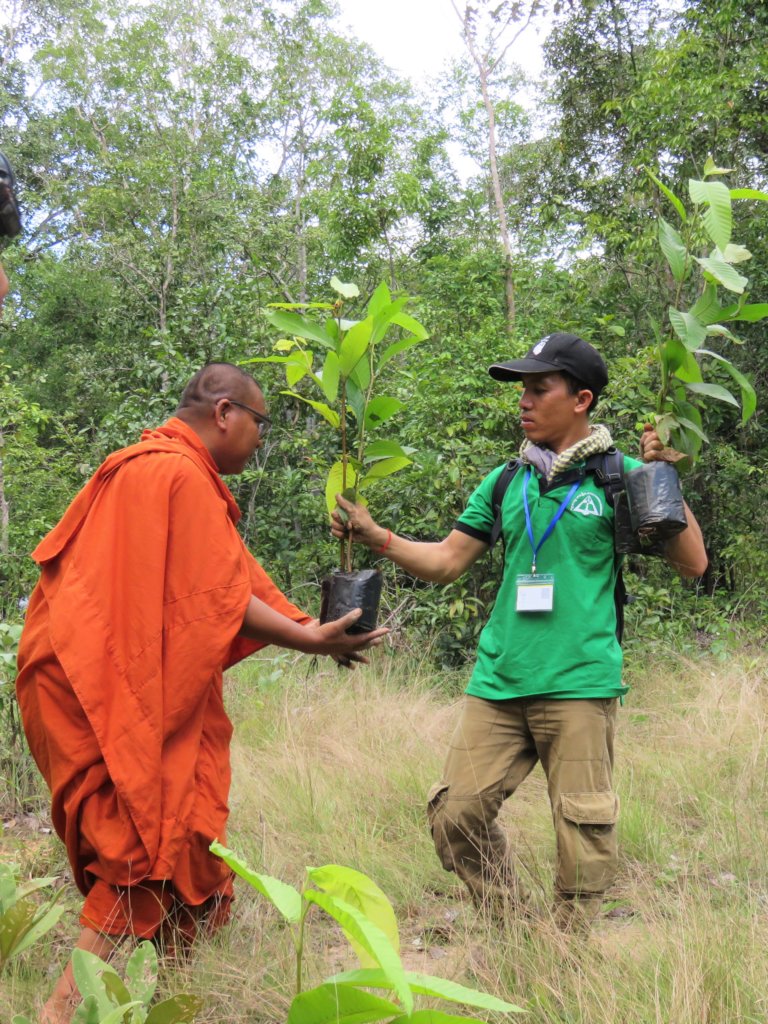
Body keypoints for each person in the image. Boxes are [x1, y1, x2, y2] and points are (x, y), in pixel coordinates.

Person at [16, 362, 387, 1023]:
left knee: (188, 843)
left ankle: (185, 1001)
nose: (261, 439)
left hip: (74, 680)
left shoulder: (145, 468)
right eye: (259, 423)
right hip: (101, 690)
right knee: (140, 850)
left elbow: (223, 581)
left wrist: (311, 626)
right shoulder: (176, 474)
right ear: (224, 414)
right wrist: (311, 639)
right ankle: (63, 1014)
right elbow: (219, 599)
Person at [331, 332, 707, 932]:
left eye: (539, 388)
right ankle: (511, 930)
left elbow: (693, 565)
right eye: (522, 390)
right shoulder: (507, 481)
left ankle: (567, 958)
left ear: (582, 398)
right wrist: (379, 537)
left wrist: (663, 480)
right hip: (500, 679)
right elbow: (448, 562)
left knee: (583, 835)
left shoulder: (623, 476)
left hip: (580, 680)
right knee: (454, 814)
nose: (524, 402)